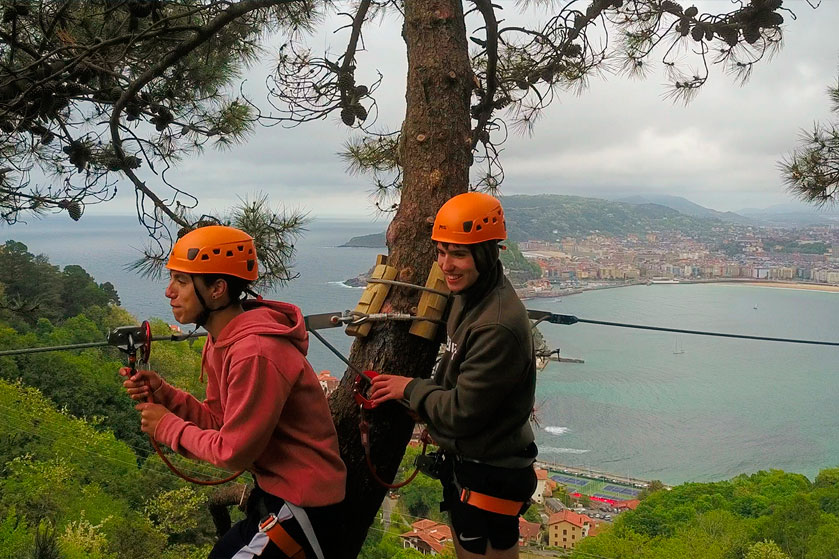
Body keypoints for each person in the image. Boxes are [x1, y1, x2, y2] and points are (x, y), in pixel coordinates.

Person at [121, 225, 346, 559]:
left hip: (302, 504)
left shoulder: (255, 352)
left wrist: (167, 425)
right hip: (276, 495)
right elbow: (219, 421)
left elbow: (232, 452)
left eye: (182, 281)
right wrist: (167, 396)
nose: (169, 292)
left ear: (217, 289)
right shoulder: (222, 341)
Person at [369, 192, 537, 559]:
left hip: (491, 472)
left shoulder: (496, 323)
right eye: (441, 252)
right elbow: (457, 374)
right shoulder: (470, 296)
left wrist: (411, 389)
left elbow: (462, 412)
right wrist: (429, 401)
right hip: (479, 464)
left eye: (458, 254)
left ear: (488, 253)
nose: (446, 265)